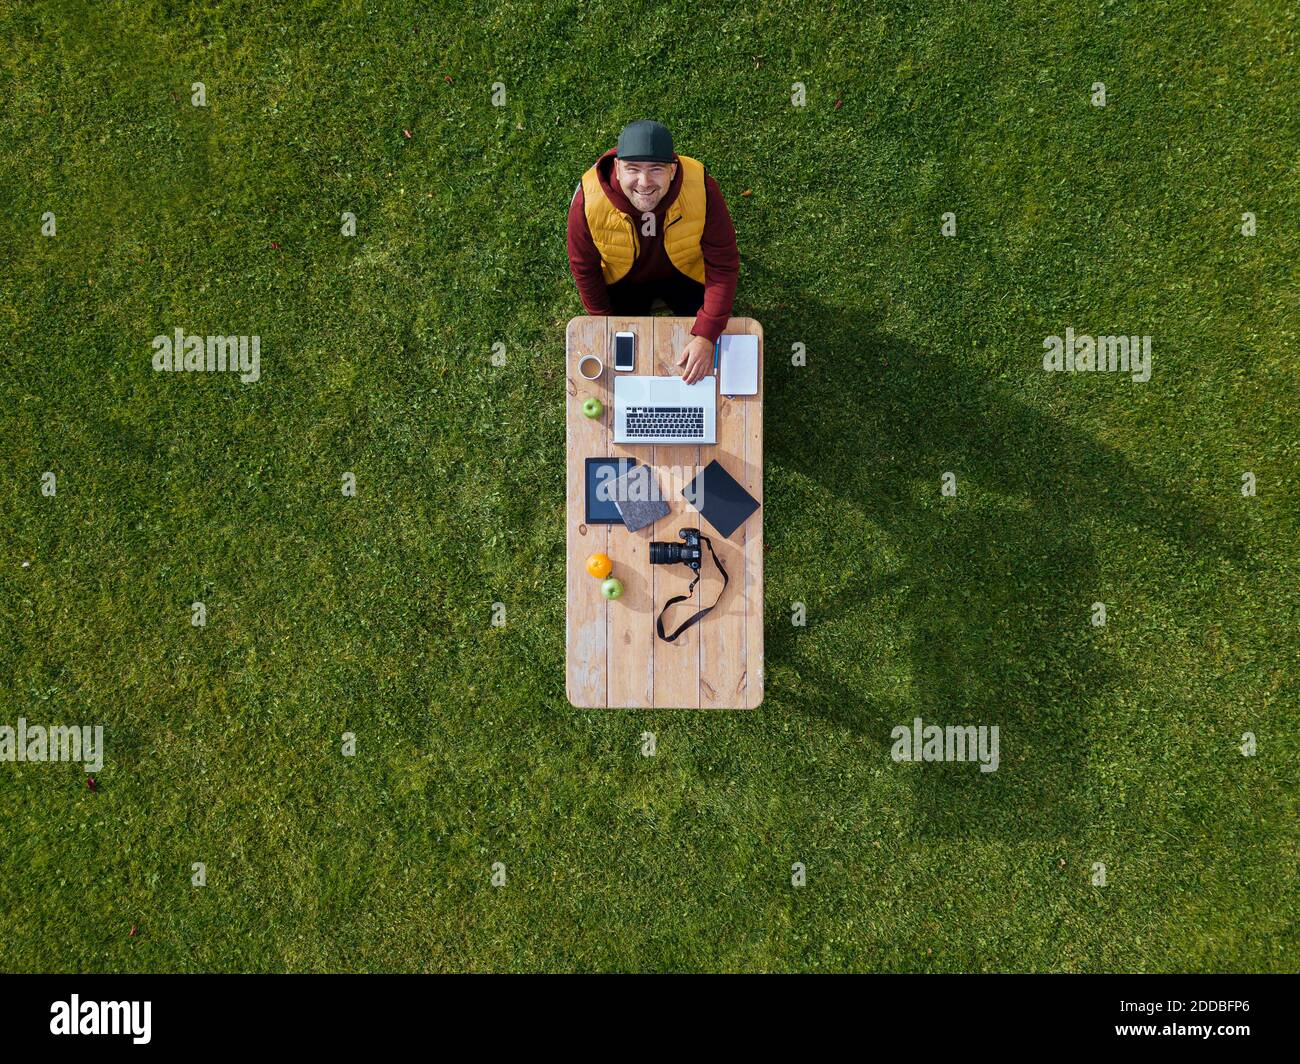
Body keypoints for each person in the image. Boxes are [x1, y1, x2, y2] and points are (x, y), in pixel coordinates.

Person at [567, 120, 739, 384]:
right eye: (632, 169)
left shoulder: (702, 188)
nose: (644, 182)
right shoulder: (588, 200)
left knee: (716, 357)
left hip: (685, 275)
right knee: (626, 363)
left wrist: (706, 334)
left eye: (656, 169)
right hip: (623, 283)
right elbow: (584, 270)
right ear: (617, 168)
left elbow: (723, 264)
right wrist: (604, 322)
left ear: (672, 170)